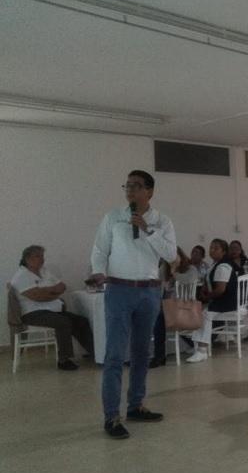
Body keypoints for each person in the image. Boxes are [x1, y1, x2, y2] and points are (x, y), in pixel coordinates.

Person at [90, 169, 177, 439]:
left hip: (149, 292)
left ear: (149, 191)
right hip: (119, 289)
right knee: (115, 354)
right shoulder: (113, 216)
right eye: (127, 185)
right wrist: (98, 271)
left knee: (141, 353)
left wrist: (147, 229)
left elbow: (170, 254)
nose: (130, 190)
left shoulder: (162, 221)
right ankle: (111, 416)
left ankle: (136, 405)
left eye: (136, 186)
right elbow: (100, 249)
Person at [10, 245, 94, 371]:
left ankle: (94, 352)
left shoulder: (44, 271)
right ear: (27, 259)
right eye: (38, 256)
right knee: (63, 322)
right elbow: (37, 297)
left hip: (52, 310)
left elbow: (62, 286)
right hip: (32, 314)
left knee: (81, 320)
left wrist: (46, 291)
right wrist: (53, 292)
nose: (42, 259)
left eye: (42, 256)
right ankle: (64, 360)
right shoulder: (21, 276)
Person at [187, 239, 238, 363]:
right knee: (200, 311)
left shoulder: (223, 266)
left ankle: (202, 350)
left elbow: (220, 289)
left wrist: (207, 297)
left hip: (227, 301)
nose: (212, 250)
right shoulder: (215, 264)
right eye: (211, 247)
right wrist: (205, 289)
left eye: (216, 248)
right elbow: (209, 280)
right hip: (221, 300)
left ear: (223, 251)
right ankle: (198, 345)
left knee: (205, 314)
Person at [150, 247, 200, 368]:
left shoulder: (191, 269)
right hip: (167, 306)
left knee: (159, 318)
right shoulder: (164, 268)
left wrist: (174, 273)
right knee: (154, 315)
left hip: (184, 307)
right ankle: (155, 355)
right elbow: (158, 284)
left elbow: (187, 280)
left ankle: (159, 356)